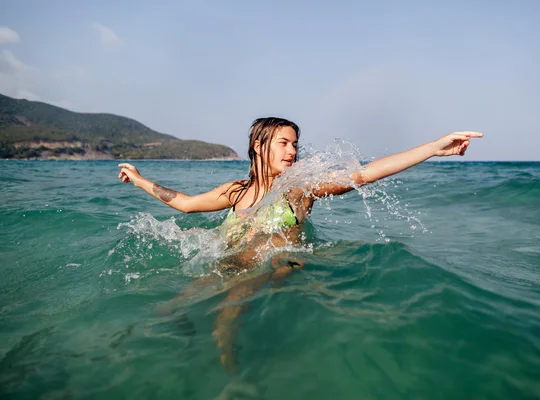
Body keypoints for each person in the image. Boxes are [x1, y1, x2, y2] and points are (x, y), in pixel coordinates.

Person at [117, 117, 483, 372]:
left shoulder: (299, 188)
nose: (293, 150)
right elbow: (184, 202)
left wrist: (434, 148)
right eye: (284, 143)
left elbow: (364, 174)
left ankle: (232, 382)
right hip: (228, 263)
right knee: (168, 310)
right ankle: (182, 343)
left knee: (225, 321)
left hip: (275, 265)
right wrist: (139, 180)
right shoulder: (236, 191)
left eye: (295, 143)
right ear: (259, 147)